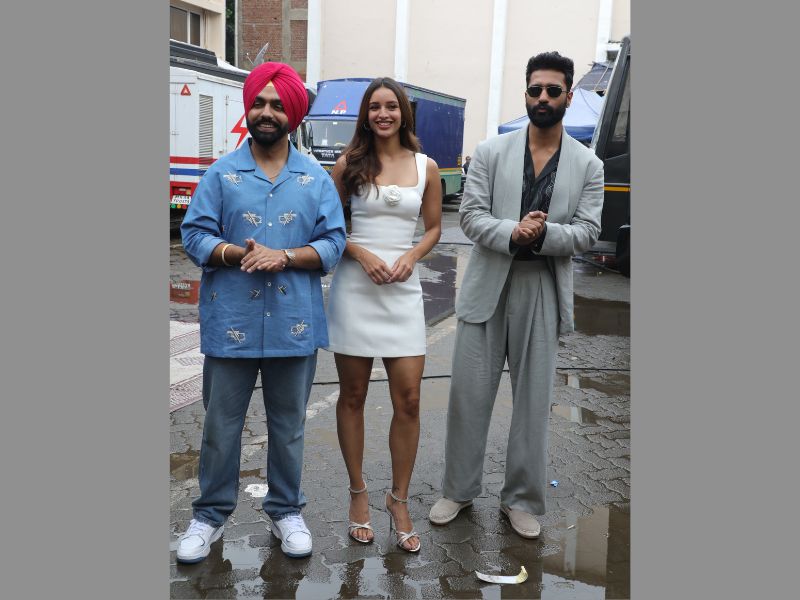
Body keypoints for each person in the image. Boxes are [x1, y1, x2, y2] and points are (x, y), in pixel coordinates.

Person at [428, 52, 604, 538]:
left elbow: (588, 231)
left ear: (569, 96)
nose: (543, 98)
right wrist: (513, 231)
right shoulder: (490, 152)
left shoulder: (588, 164)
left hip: (541, 286)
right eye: (535, 89)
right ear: (526, 94)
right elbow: (470, 217)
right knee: (468, 396)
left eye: (553, 90)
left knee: (533, 403)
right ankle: (458, 489)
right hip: (488, 283)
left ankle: (522, 499)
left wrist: (543, 235)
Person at [177, 62, 346, 563]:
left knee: (288, 426)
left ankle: (286, 510)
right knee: (220, 426)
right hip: (231, 322)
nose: (267, 112)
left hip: (294, 324)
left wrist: (285, 256)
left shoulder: (314, 178)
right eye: (259, 103)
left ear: (292, 113)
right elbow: (194, 235)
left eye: (277, 104)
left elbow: (334, 242)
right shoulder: (221, 174)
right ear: (248, 109)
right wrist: (235, 253)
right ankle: (209, 516)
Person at [325, 77, 442, 552]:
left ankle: (399, 499)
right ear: (365, 115)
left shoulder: (426, 166)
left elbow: (433, 228)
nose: (383, 114)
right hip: (356, 289)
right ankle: (358, 494)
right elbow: (327, 226)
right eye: (374, 107)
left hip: (403, 291)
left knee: (409, 399)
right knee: (352, 395)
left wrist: (412, 256)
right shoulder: (348, 163)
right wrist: (360, 253)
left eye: (391, 106)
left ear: (403, 113)